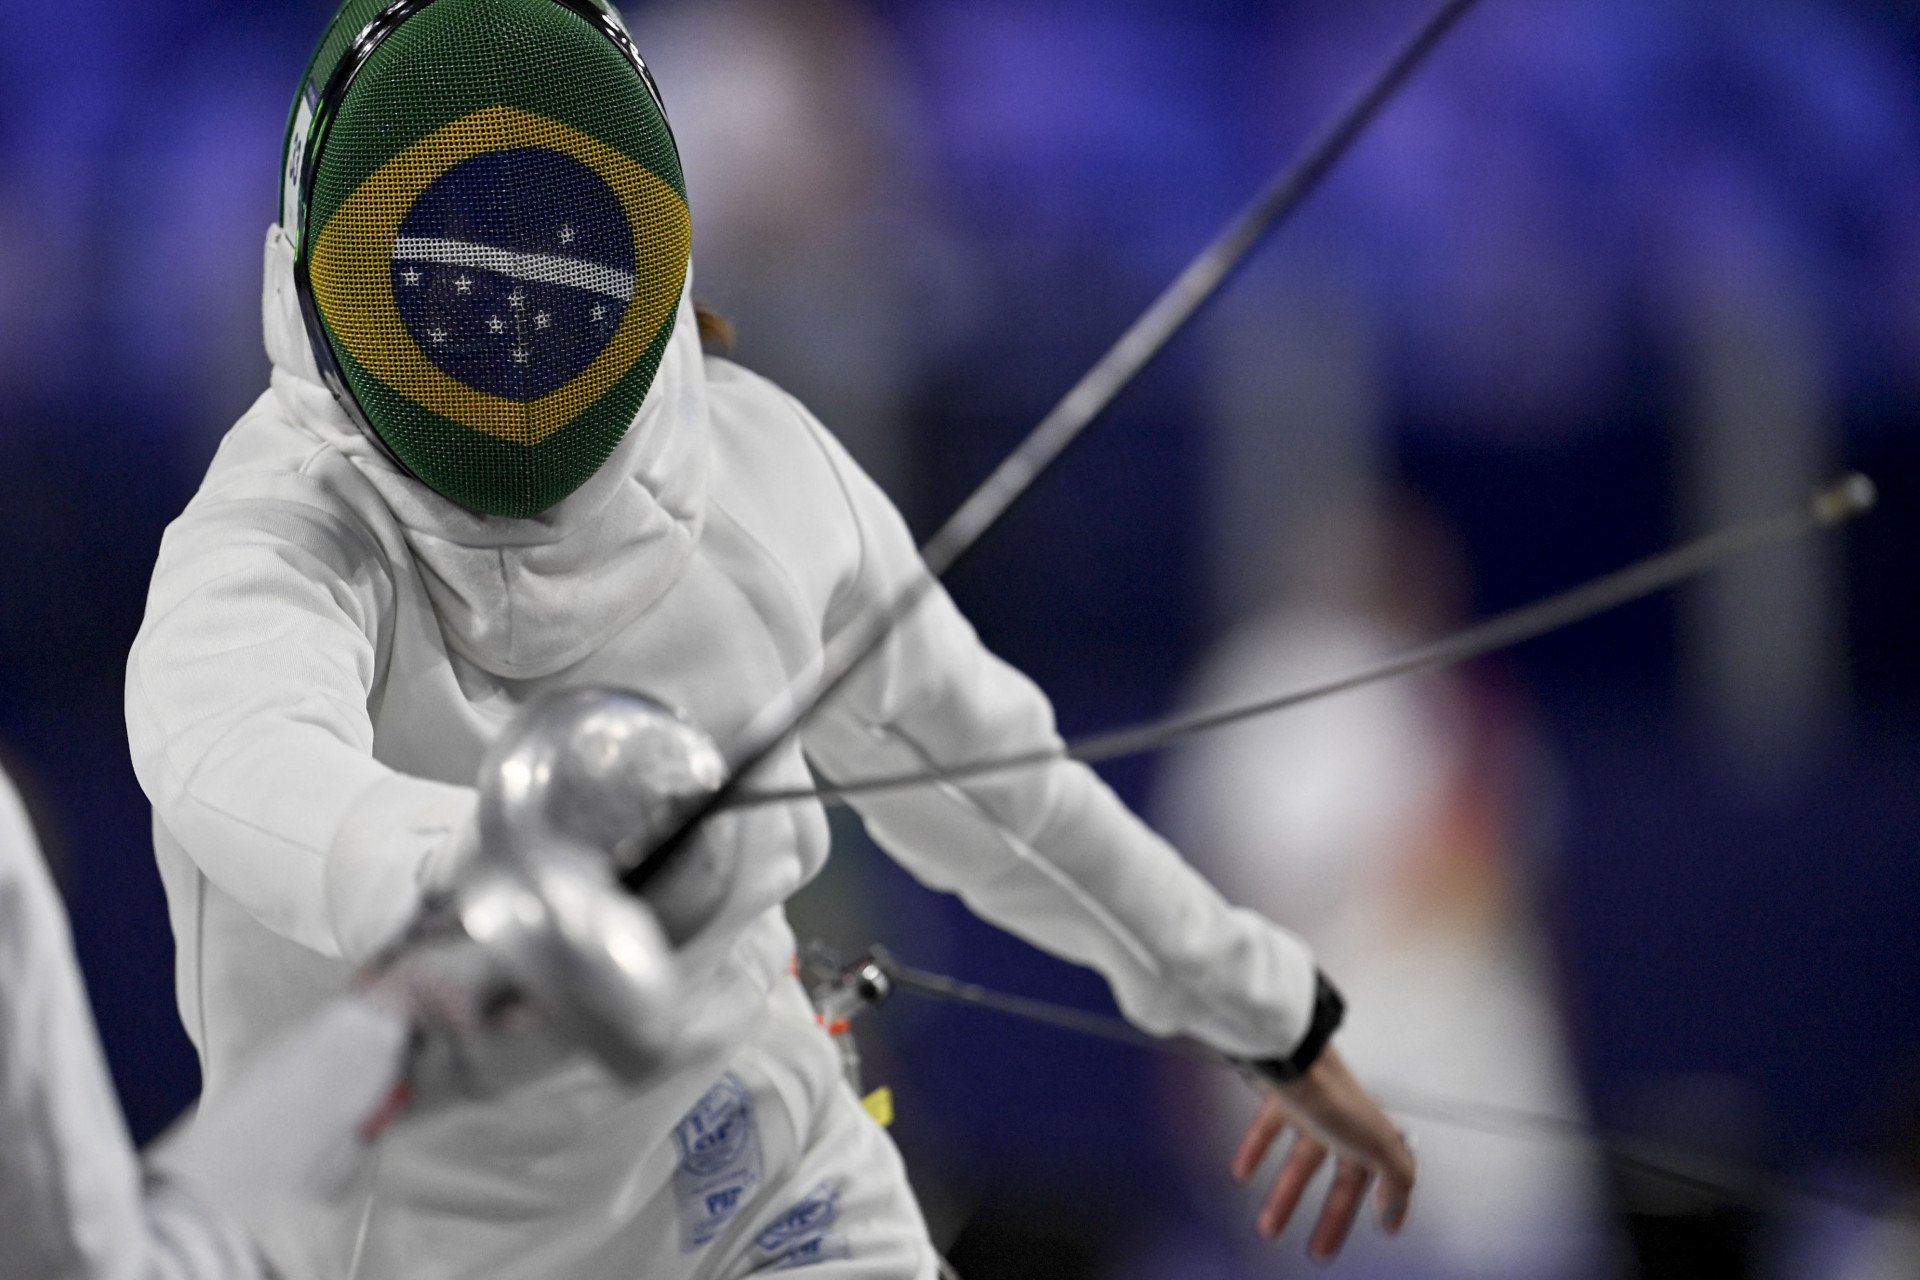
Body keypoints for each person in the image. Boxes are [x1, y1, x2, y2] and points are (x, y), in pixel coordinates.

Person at [124, 2, 1414, 1276]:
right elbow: (247, 763)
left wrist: (1267, 1010)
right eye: (439, 242)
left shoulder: (758, 474)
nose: (502, 297)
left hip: (766, 1194)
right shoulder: (277, 546)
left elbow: (1004, 792)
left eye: (544, 236)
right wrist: (486, 872)